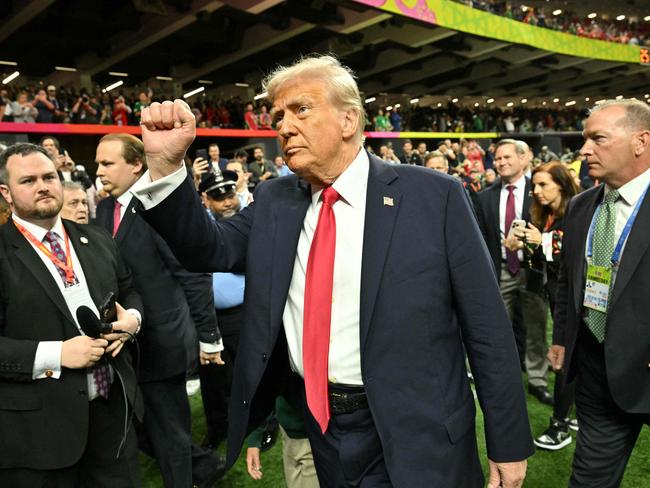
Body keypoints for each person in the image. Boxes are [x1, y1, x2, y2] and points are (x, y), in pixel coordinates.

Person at [133, 55, 532, 487]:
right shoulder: (275, 201)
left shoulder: (434, 196)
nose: (284, 127)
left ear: (349, 120)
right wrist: (166, 167)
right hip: (322, 429)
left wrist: (507, 443)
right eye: (278, 116)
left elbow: (487, 328)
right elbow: (206, 249)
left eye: (300, 109)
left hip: (421, 432)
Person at [0, 143, 142, 487]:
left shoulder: (95, 238)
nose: (43, 186)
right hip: (41, 434)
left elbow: (129, 289)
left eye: (50, 176)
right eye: (28, 180)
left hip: (113, 414)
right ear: (6, 192)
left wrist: (132, 320)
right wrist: (57, 354)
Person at [94, 133, 226, 488]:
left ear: (136, 164)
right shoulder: (105, 208)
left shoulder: (160, 206)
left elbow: (193, 273)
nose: (99, 170)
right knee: (142, 427)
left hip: (163, 341)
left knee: (168, 434)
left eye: (107, 163)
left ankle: (189, 475)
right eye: (98, 163)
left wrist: (209, 336)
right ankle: (206, 467)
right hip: (125, 343)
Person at [550, 99, 650, 487]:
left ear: (641, 142)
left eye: (598, 138)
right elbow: (566, 280)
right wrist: (561, 336)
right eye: (584, 139)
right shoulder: (580, 207)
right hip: (597, 369)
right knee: (590, 479)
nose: (584, 149)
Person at [503, 162, 579, 450]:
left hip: (575, 295)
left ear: (561, 184)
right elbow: (543, 261)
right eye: (534, 185)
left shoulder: (577, 208)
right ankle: (570, 415)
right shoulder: (543, 214)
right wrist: (524, 243)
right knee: (569, 357)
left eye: (543, 185)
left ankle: (560, 424)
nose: (536, 191)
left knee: (564, 356)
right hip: (555, 292)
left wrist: (544, 240)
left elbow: (576, 250)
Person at [475, 139, 553, 406]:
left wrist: (533, 242)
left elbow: (554, 229)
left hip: (532, 270)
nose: (501, 162)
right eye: (497, 159)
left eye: (507, 157)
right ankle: (500, 380)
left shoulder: (540, 191)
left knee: (536, 328)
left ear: (524, 158)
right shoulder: (486, 195)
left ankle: (537, 380)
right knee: (497, 329)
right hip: (500, 271)